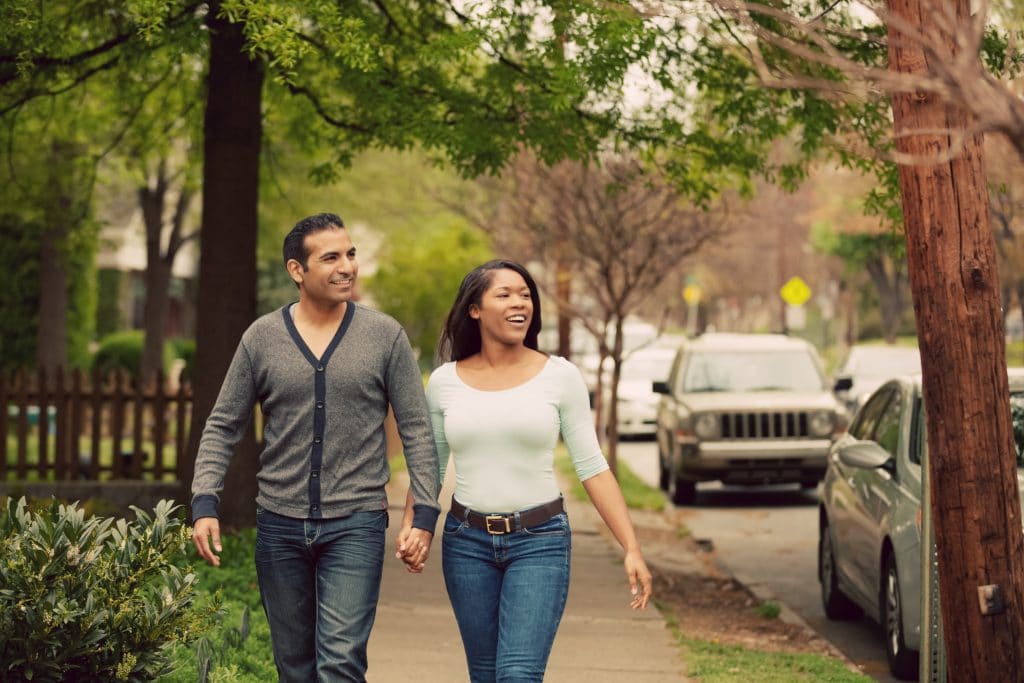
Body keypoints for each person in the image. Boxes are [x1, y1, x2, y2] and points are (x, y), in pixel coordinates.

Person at [191, 212, 440, 682]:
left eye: (350, 254)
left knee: (341, 663)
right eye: (330, 257)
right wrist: (205, 500)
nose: (346, 266)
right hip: (279, 527)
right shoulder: (261, 338)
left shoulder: (384, 336)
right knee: (295, 668)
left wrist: (424, 514)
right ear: (297, 271)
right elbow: (224, 424)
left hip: (356, 523)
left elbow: (417, 429)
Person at [399, 259, 653, 682]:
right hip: (467, 544)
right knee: (484, 675)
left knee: (517, 675)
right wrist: (414, 525)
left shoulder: (560, 377)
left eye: (525, 295)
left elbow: (592, 466)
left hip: (540, 542)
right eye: (504, 294)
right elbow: (431, 466)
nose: (520, 303)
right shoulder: (445, 382)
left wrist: (631, 547)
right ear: (475, 309)